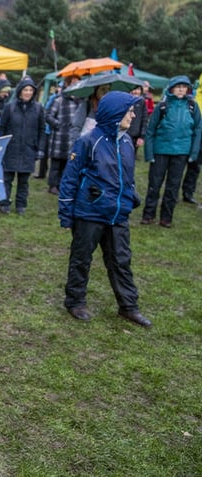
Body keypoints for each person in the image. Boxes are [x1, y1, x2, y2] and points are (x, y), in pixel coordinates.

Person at [58, 91, 152, 328]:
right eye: (129, 111)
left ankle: (128, 307)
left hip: (117, 214)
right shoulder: (88, 141)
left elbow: (127, 177)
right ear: (115, 113)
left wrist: (131, 198)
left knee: (121, 260)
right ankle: (75, 302)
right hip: (89, 213)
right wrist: (66, 213)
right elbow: (69, 179)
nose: (133, 115)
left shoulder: (127, 141)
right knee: (81, 259)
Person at [141, 75, 202, 228]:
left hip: (181, 152)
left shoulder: (193, 107)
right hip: (160, 151)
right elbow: (150, 130)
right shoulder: (162, 106)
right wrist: (149, 153)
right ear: (171, 88)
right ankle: (148, 215)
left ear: (188, 89)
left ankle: (166, 218)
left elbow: (198, 130)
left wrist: (193, 153)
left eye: (184, 86)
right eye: (178, 86)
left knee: (173, 186)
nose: (181, 89)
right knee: (154, 184)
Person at [0, 77, 46, 215]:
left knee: (24, 180)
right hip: (11, 148)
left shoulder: (38, 108)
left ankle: (21, 205)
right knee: (7, 178)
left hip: (28, 148)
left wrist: (40, 148)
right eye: (25, 89)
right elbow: (3, 127)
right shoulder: (10, 107)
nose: (28, 92)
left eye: (31, 90)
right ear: (20, 91)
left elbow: (42, 130)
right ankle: (4, 202)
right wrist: (2, 146)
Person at [45, 75, 83, 195]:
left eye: (77, 82)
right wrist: (58, 124)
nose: (75, 85)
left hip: (72, 138)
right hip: (59, 137)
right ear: (67, 84)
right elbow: (47, 115)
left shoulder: (80, 101)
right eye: (73, 82)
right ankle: (52, 185)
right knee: (56, 164)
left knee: (67, 163)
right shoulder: (59, 100)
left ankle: (62, 184)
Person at [127, 84, 149, 158]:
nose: (136, 92)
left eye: (138, 89)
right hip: (124, 133)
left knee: (131, 158)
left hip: (135, 135)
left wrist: (142, 136)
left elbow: (144, 119)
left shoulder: (142, 102)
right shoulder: (124, 101)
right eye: (134, 89)